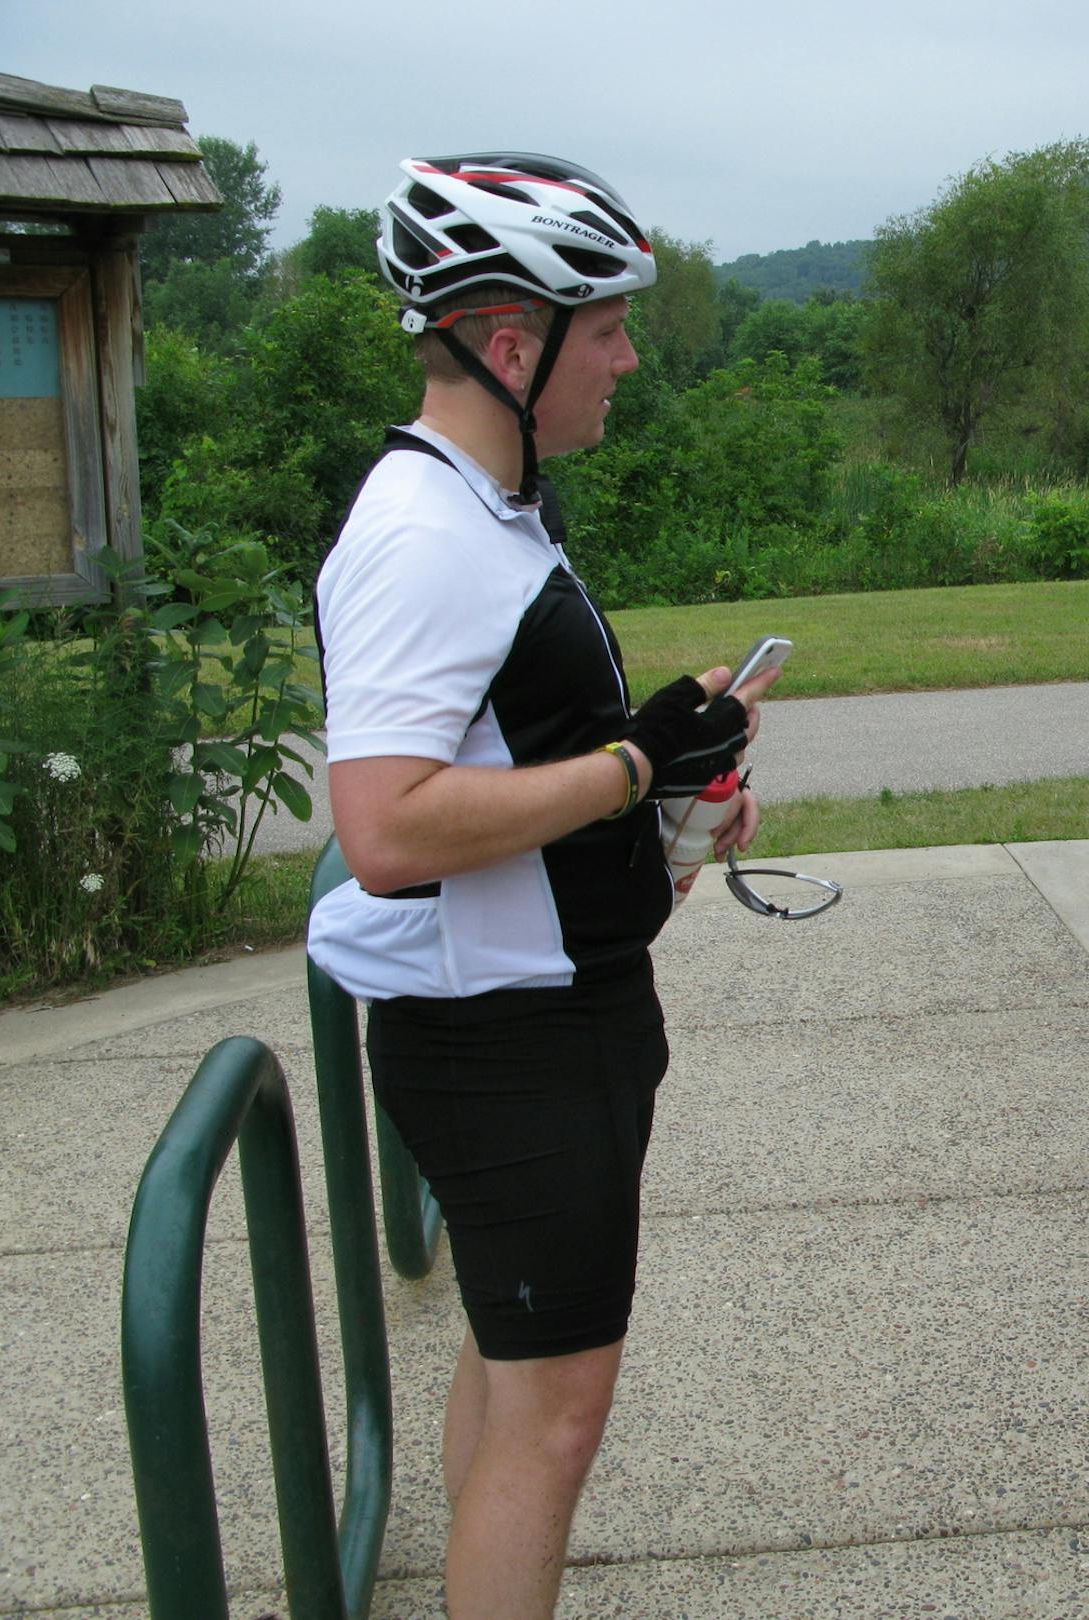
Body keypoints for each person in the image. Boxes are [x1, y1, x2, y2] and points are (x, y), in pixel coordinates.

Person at [307, 153, 771, 1619]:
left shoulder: (492, 509)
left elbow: (518, 758)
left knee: (515, 1386)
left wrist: (664, 789)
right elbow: (387, 826)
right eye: (610, 326)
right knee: (552, 1427)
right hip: (508, 1044)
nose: (629, 356)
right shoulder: (422, 534)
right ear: (516, 343)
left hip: (550, 1012)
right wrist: (632, 773)